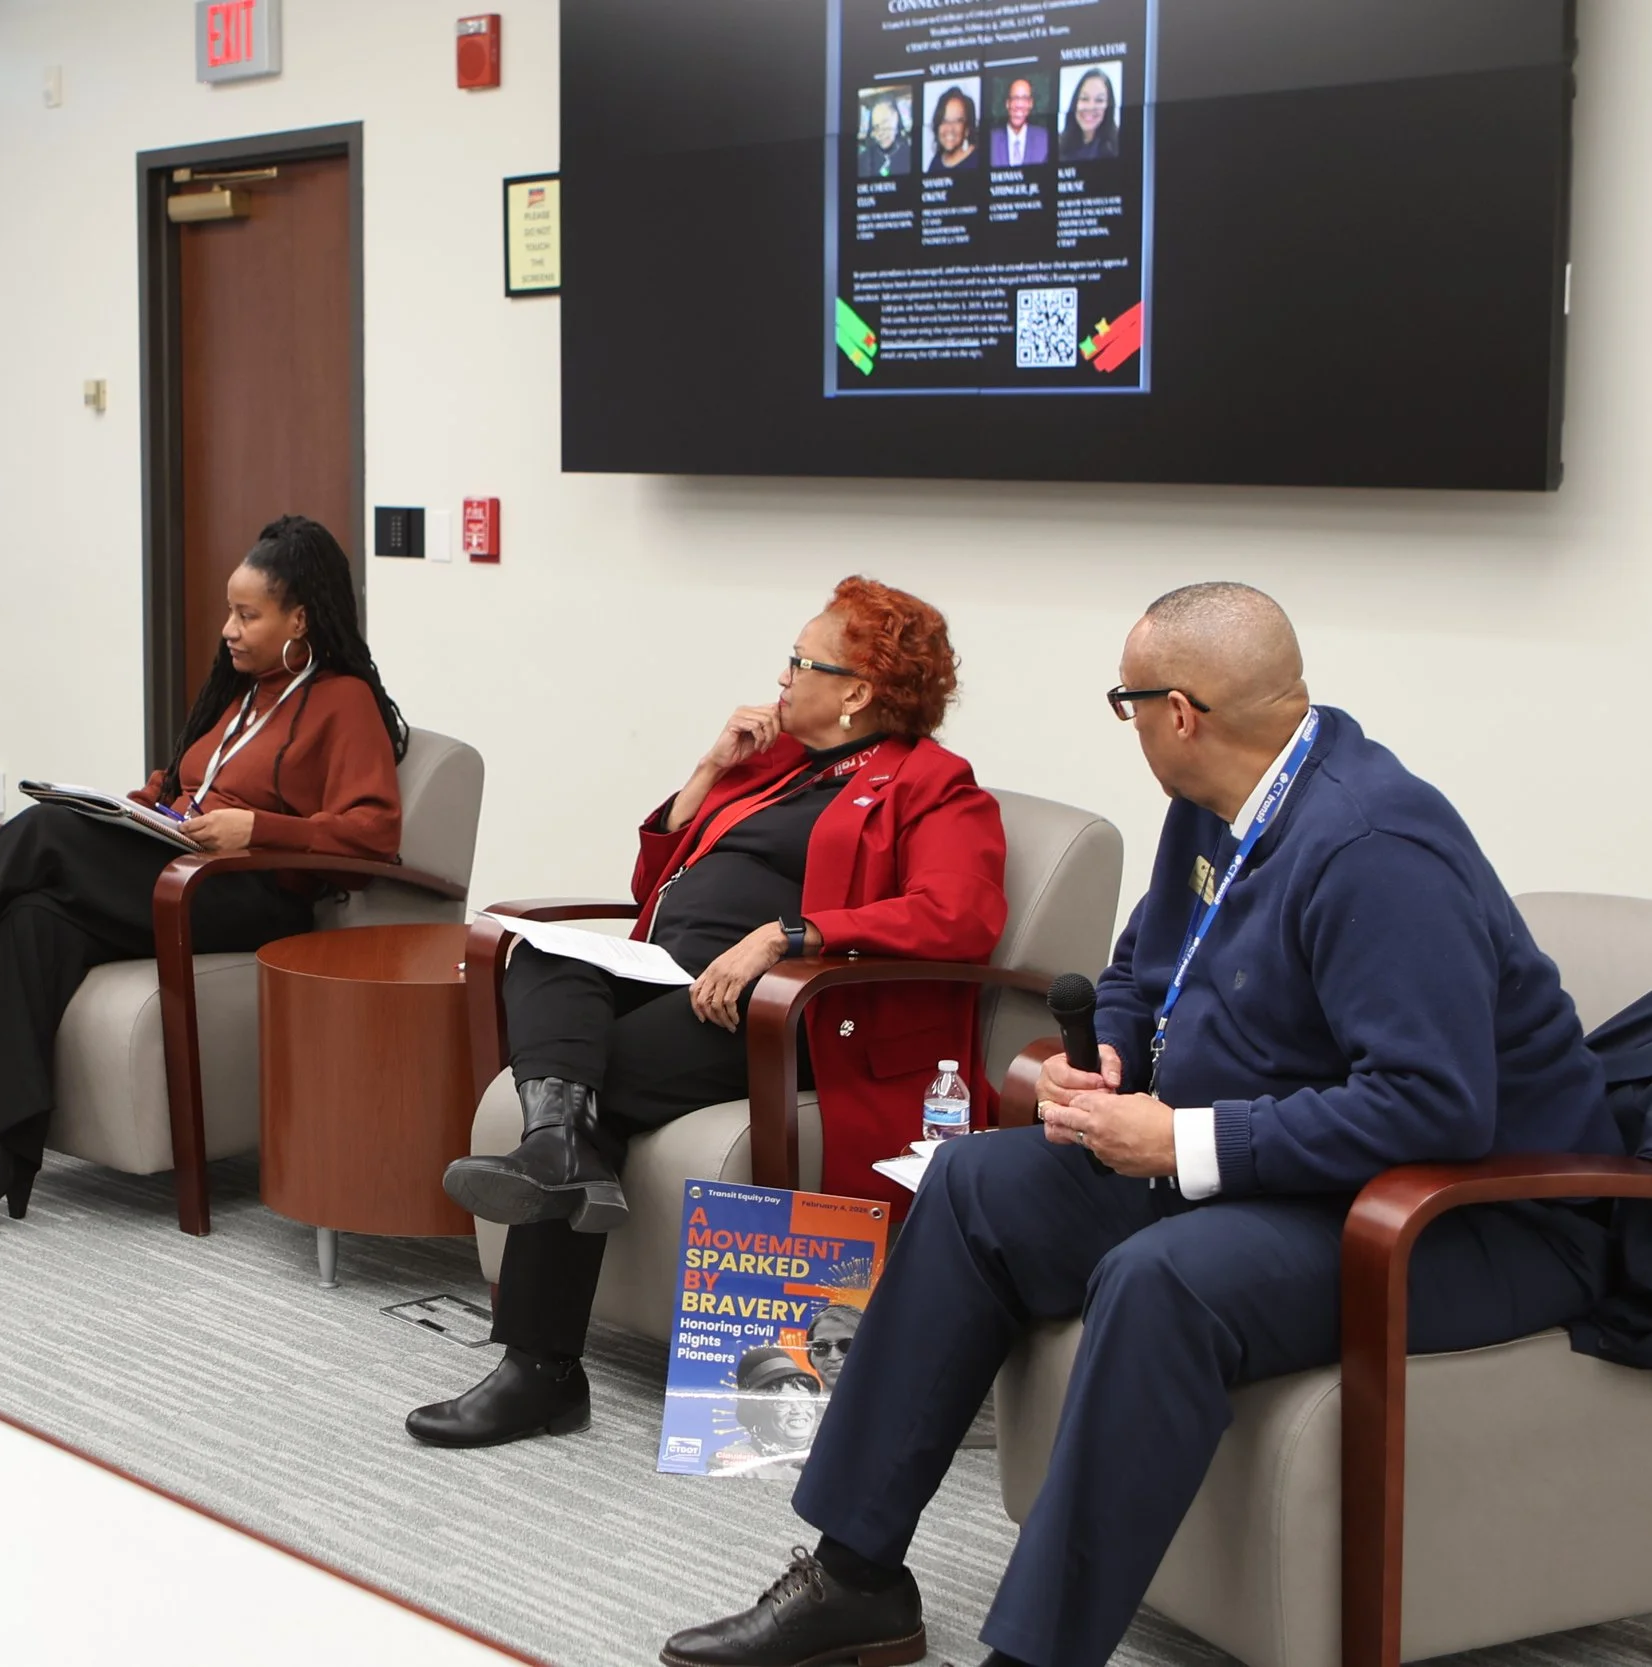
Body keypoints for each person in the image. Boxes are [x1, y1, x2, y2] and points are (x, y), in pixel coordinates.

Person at [660, 583, 1621, 1667]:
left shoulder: (1373, 847)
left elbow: (1434, 1104)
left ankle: (1037, 1654)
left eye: (1124, 701)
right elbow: (1138, 971)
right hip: (1292, 1164)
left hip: (1468, 1214)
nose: (1125, 725)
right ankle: (857, 1576)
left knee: (1162, 1278)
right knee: (977, 1184)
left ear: (1178, 711)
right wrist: (1106, 1052)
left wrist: (1184, 1141)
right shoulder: (1215, 802)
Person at [405, 578, 1006, 1449]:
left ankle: (537, 1371)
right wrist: (709, 767)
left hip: (772, 1015)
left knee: (590, 1083)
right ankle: (557, 1150)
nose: (784, 674)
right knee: (537, 950)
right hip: (664, 972)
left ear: (858, 691)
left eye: (802, 660)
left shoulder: (935, 786)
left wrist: (788, 936)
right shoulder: (772, 767)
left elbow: (961, 915)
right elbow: (655, 889)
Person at [0, 515, 406, 1240]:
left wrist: (260, 829)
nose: (229, 629)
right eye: (228, 612)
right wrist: (140, 810)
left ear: (299, 617)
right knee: (29, 923)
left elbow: (373, 836)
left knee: (42, 835)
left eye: (247, 614)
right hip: (182, 868)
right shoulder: (243, 694)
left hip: (248, 896)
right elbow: (188, 786)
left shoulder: (343, 700)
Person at [1058, 66, 1120, 162]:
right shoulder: (1059, 144)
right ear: (1075, 103)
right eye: (1084, 99)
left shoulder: (1117, 146)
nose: (1090, 107)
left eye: (1099, 100)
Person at [989, 77, 1049, 166]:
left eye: (1025, 98)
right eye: (1015, 98)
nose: (1019, 105)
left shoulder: (1045, 139)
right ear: (1007, 103)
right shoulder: (991, 139)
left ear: (1031, 104)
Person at [925, 87, 982, 173]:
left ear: (967, 128)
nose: (950, 128)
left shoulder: (978, 161)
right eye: (944, 121)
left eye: (957, 121)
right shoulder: (935, 163)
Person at [855, 97, 913, 179]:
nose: (881, 132)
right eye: (876, 126)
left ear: (895, 117)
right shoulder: (862, 160)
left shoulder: (912, 154)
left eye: (885, 122)